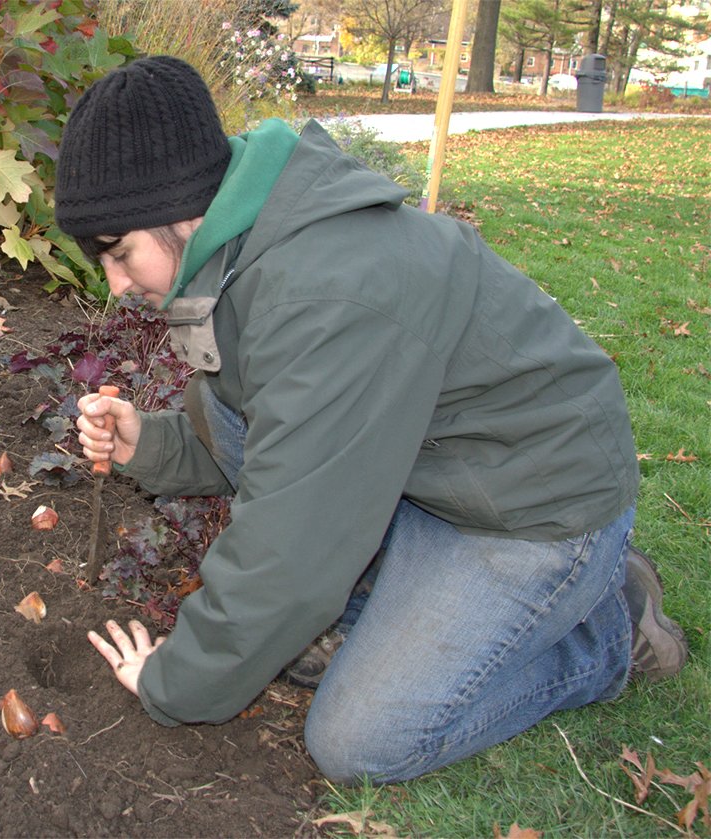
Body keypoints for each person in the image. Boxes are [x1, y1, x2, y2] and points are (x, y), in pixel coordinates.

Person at [54, 56, 688, 784]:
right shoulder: (240, 247)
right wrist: (153, 441)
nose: (117, 283)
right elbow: (263, 426)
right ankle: (380, 606)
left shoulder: (328, 293)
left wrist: (175, 683)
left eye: (120, 251)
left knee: (363, 739)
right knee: (302, 600)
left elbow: (290, 552)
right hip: (437, 474)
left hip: (533, 508)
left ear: (179, 206)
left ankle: (608, 624)